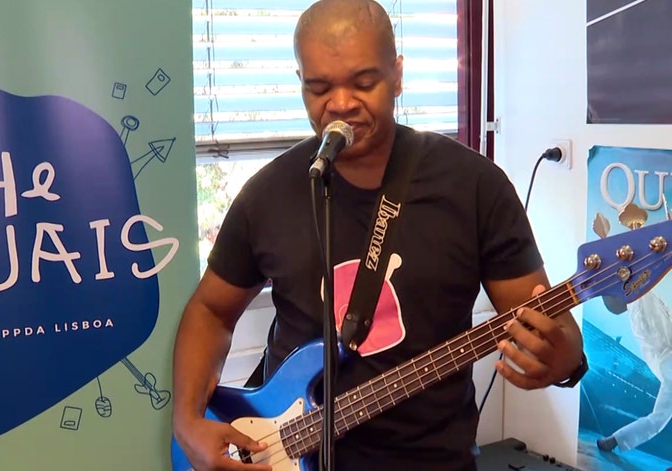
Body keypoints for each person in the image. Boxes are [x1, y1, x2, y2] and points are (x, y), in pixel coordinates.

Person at [171, 1, 586, 470]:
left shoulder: (475, 186)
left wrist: (565, 358)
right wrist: (187, 421)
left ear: (398, 75)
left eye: (364, 82)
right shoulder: (267, 194)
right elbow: (211, 310)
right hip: (282, 452)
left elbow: (546, 320)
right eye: (319, 88)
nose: (340, 104)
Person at [596, 291, 672, 454]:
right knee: (658, 419)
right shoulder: (643, 303)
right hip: (665, 359)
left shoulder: (642, 303)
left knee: (658, 419)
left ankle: (614, 440)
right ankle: (614, 440)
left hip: (665, 359)